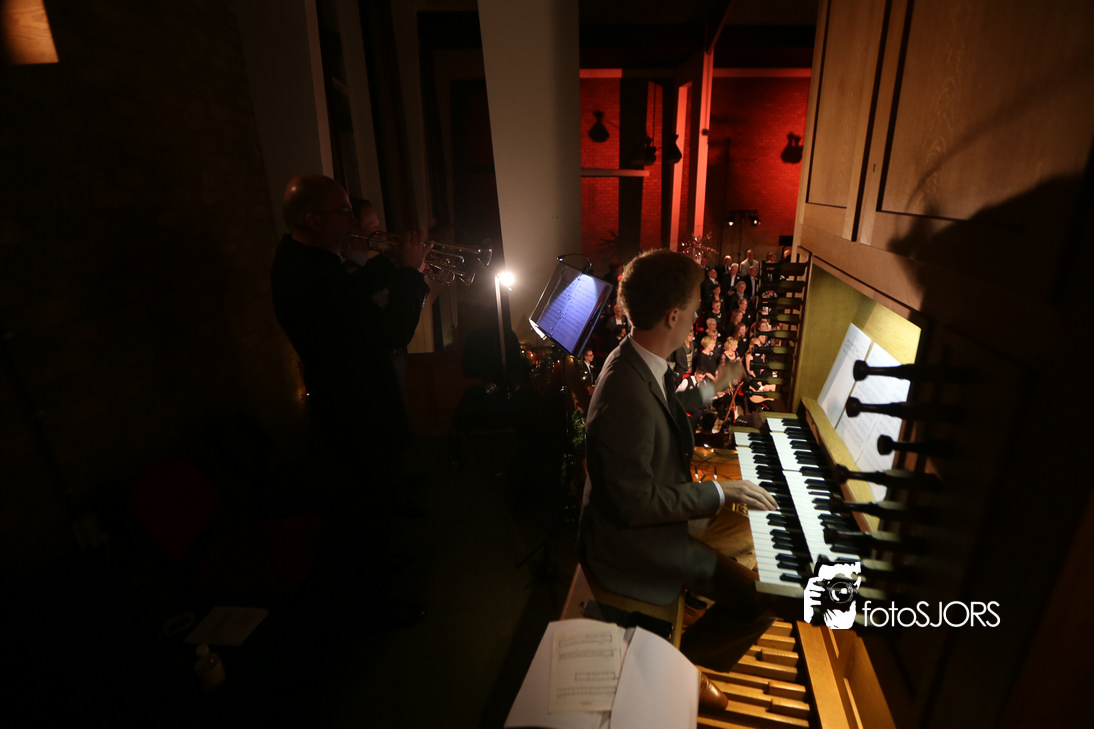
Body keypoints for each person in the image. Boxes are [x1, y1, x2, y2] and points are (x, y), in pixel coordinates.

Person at [269, 173, 430, 625]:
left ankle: (374, 567)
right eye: (343, 212)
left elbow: (351, 293)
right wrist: (410, 274)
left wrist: (392, 264)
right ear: (313, 219)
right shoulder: (310, 275)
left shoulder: (307, 259)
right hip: (354, 409)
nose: (352, 220)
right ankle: (371, 605)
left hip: (350, 400)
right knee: (366, 506)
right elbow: (391, 331)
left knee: (372, 502)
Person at [579, 249, 778, 612]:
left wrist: (713, 388)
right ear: (673, 316)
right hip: (635, 545)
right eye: (694, 310)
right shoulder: (626, 394)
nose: (696, 319)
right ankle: (688, 624)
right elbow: (635, 505)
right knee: (761, 601)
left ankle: (698, 597)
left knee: (756, 533)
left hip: (654, 516)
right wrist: (720, 490)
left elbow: (667, 405)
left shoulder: (636, 356)